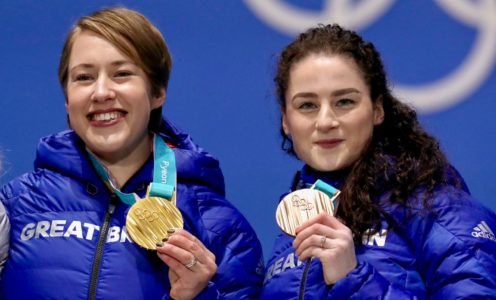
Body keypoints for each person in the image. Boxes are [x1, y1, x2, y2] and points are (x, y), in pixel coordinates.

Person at [0, 7, 264, 299]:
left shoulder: (217, 225)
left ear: (158, 92)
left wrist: (196, 296)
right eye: (84, 77)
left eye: (122, 74)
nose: (101, 92)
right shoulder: (14, 208)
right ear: (67, 98)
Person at [260, 24, 496, 299]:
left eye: (345, 102)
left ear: (377, 110)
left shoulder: (438, 209)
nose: (325, 121)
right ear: (286, 121)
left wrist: (353, 280)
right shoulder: (294, 223)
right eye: (307, 106)